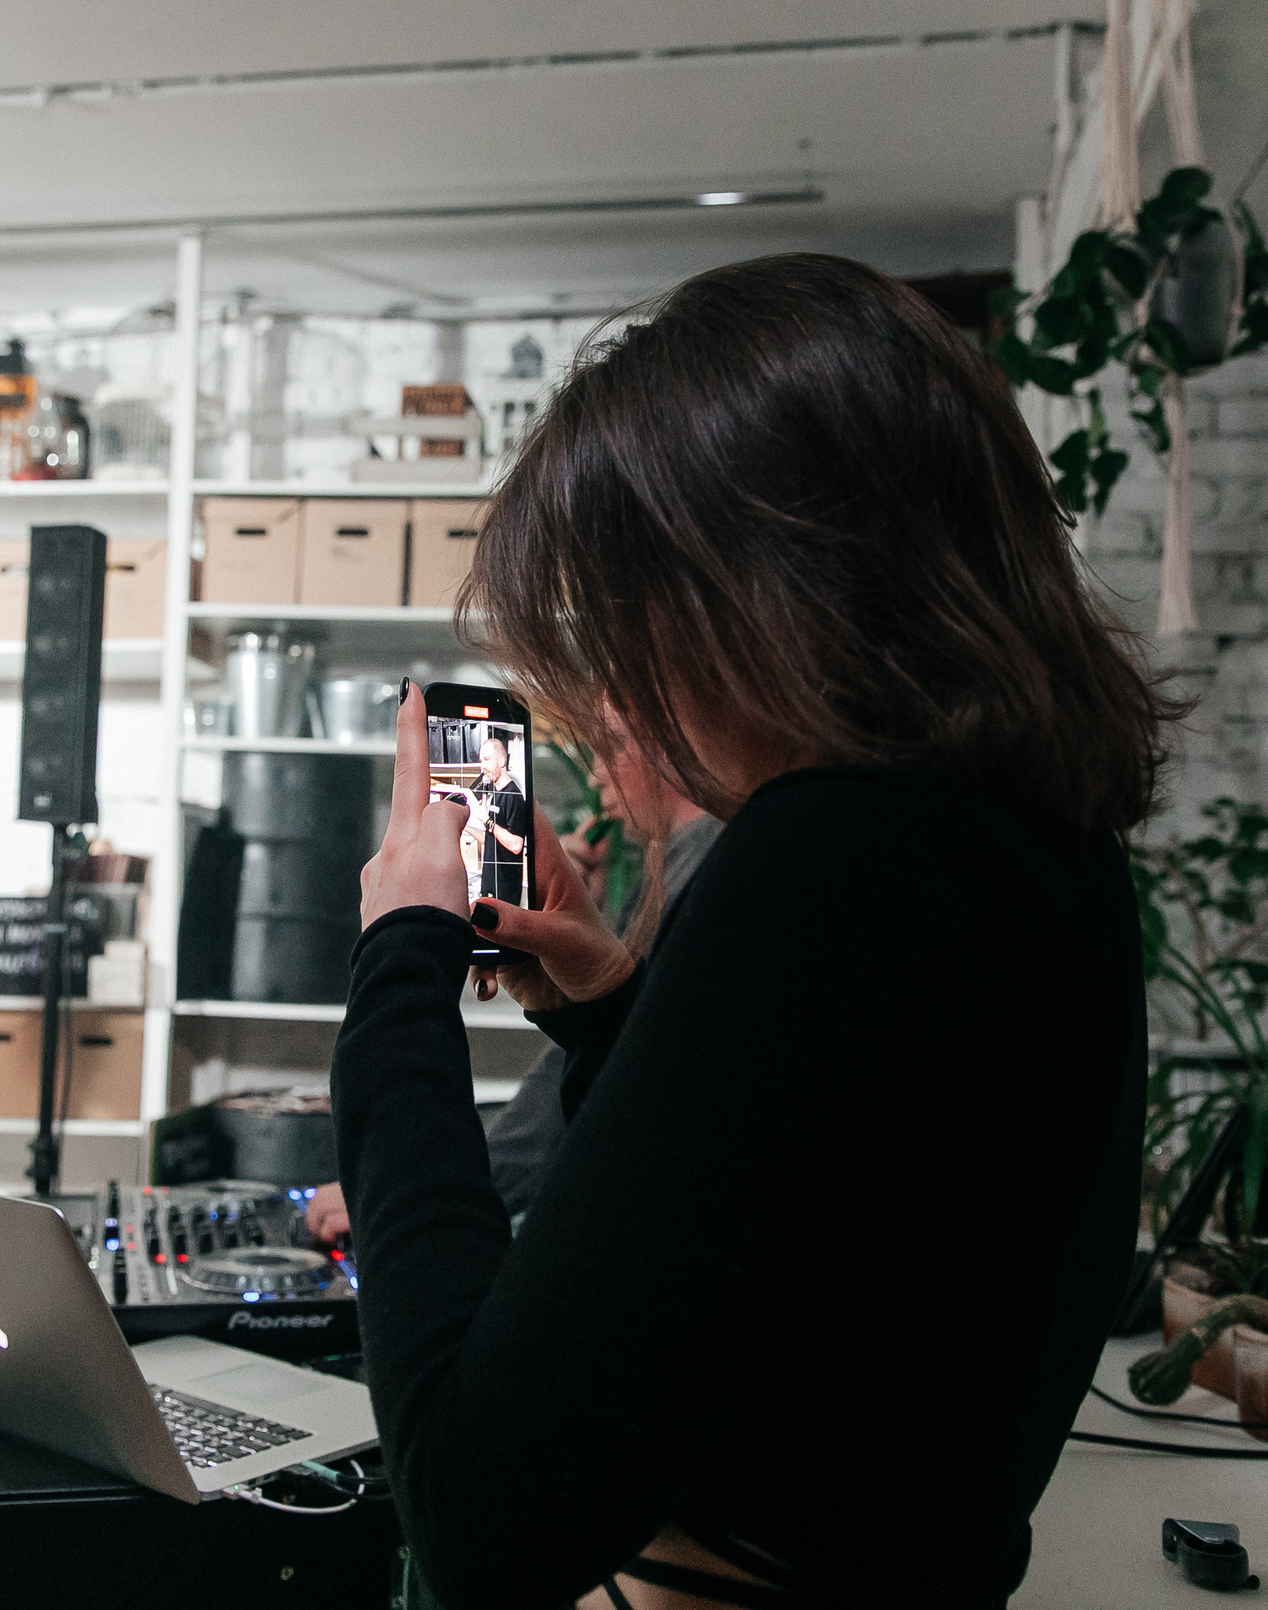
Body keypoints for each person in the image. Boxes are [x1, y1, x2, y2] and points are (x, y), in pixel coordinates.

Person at [336, 254, 1169, 1607]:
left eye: (634, 616)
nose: (627, 682)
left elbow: (476, 1508)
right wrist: (607, 1001)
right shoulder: (1014, 841)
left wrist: (402, 956)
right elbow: (782, 1216)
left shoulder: (843, 848)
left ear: (760, 587)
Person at [307, 738, 717, 1239]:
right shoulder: (679, 861)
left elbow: (613, 1085)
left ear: (669, 731)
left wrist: (401, 944)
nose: (595, 777)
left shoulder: (706, 863)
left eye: (611, 745)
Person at [472, 734, 529, 903]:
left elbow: (516, 845)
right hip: (490, 885)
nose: (482, 766)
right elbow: (492, 839)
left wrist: (488, 821)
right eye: (481, 760)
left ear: (502, 761)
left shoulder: (513, 796)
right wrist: (465, 828)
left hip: (504, 890)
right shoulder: (495, 795)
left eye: (487, 759)